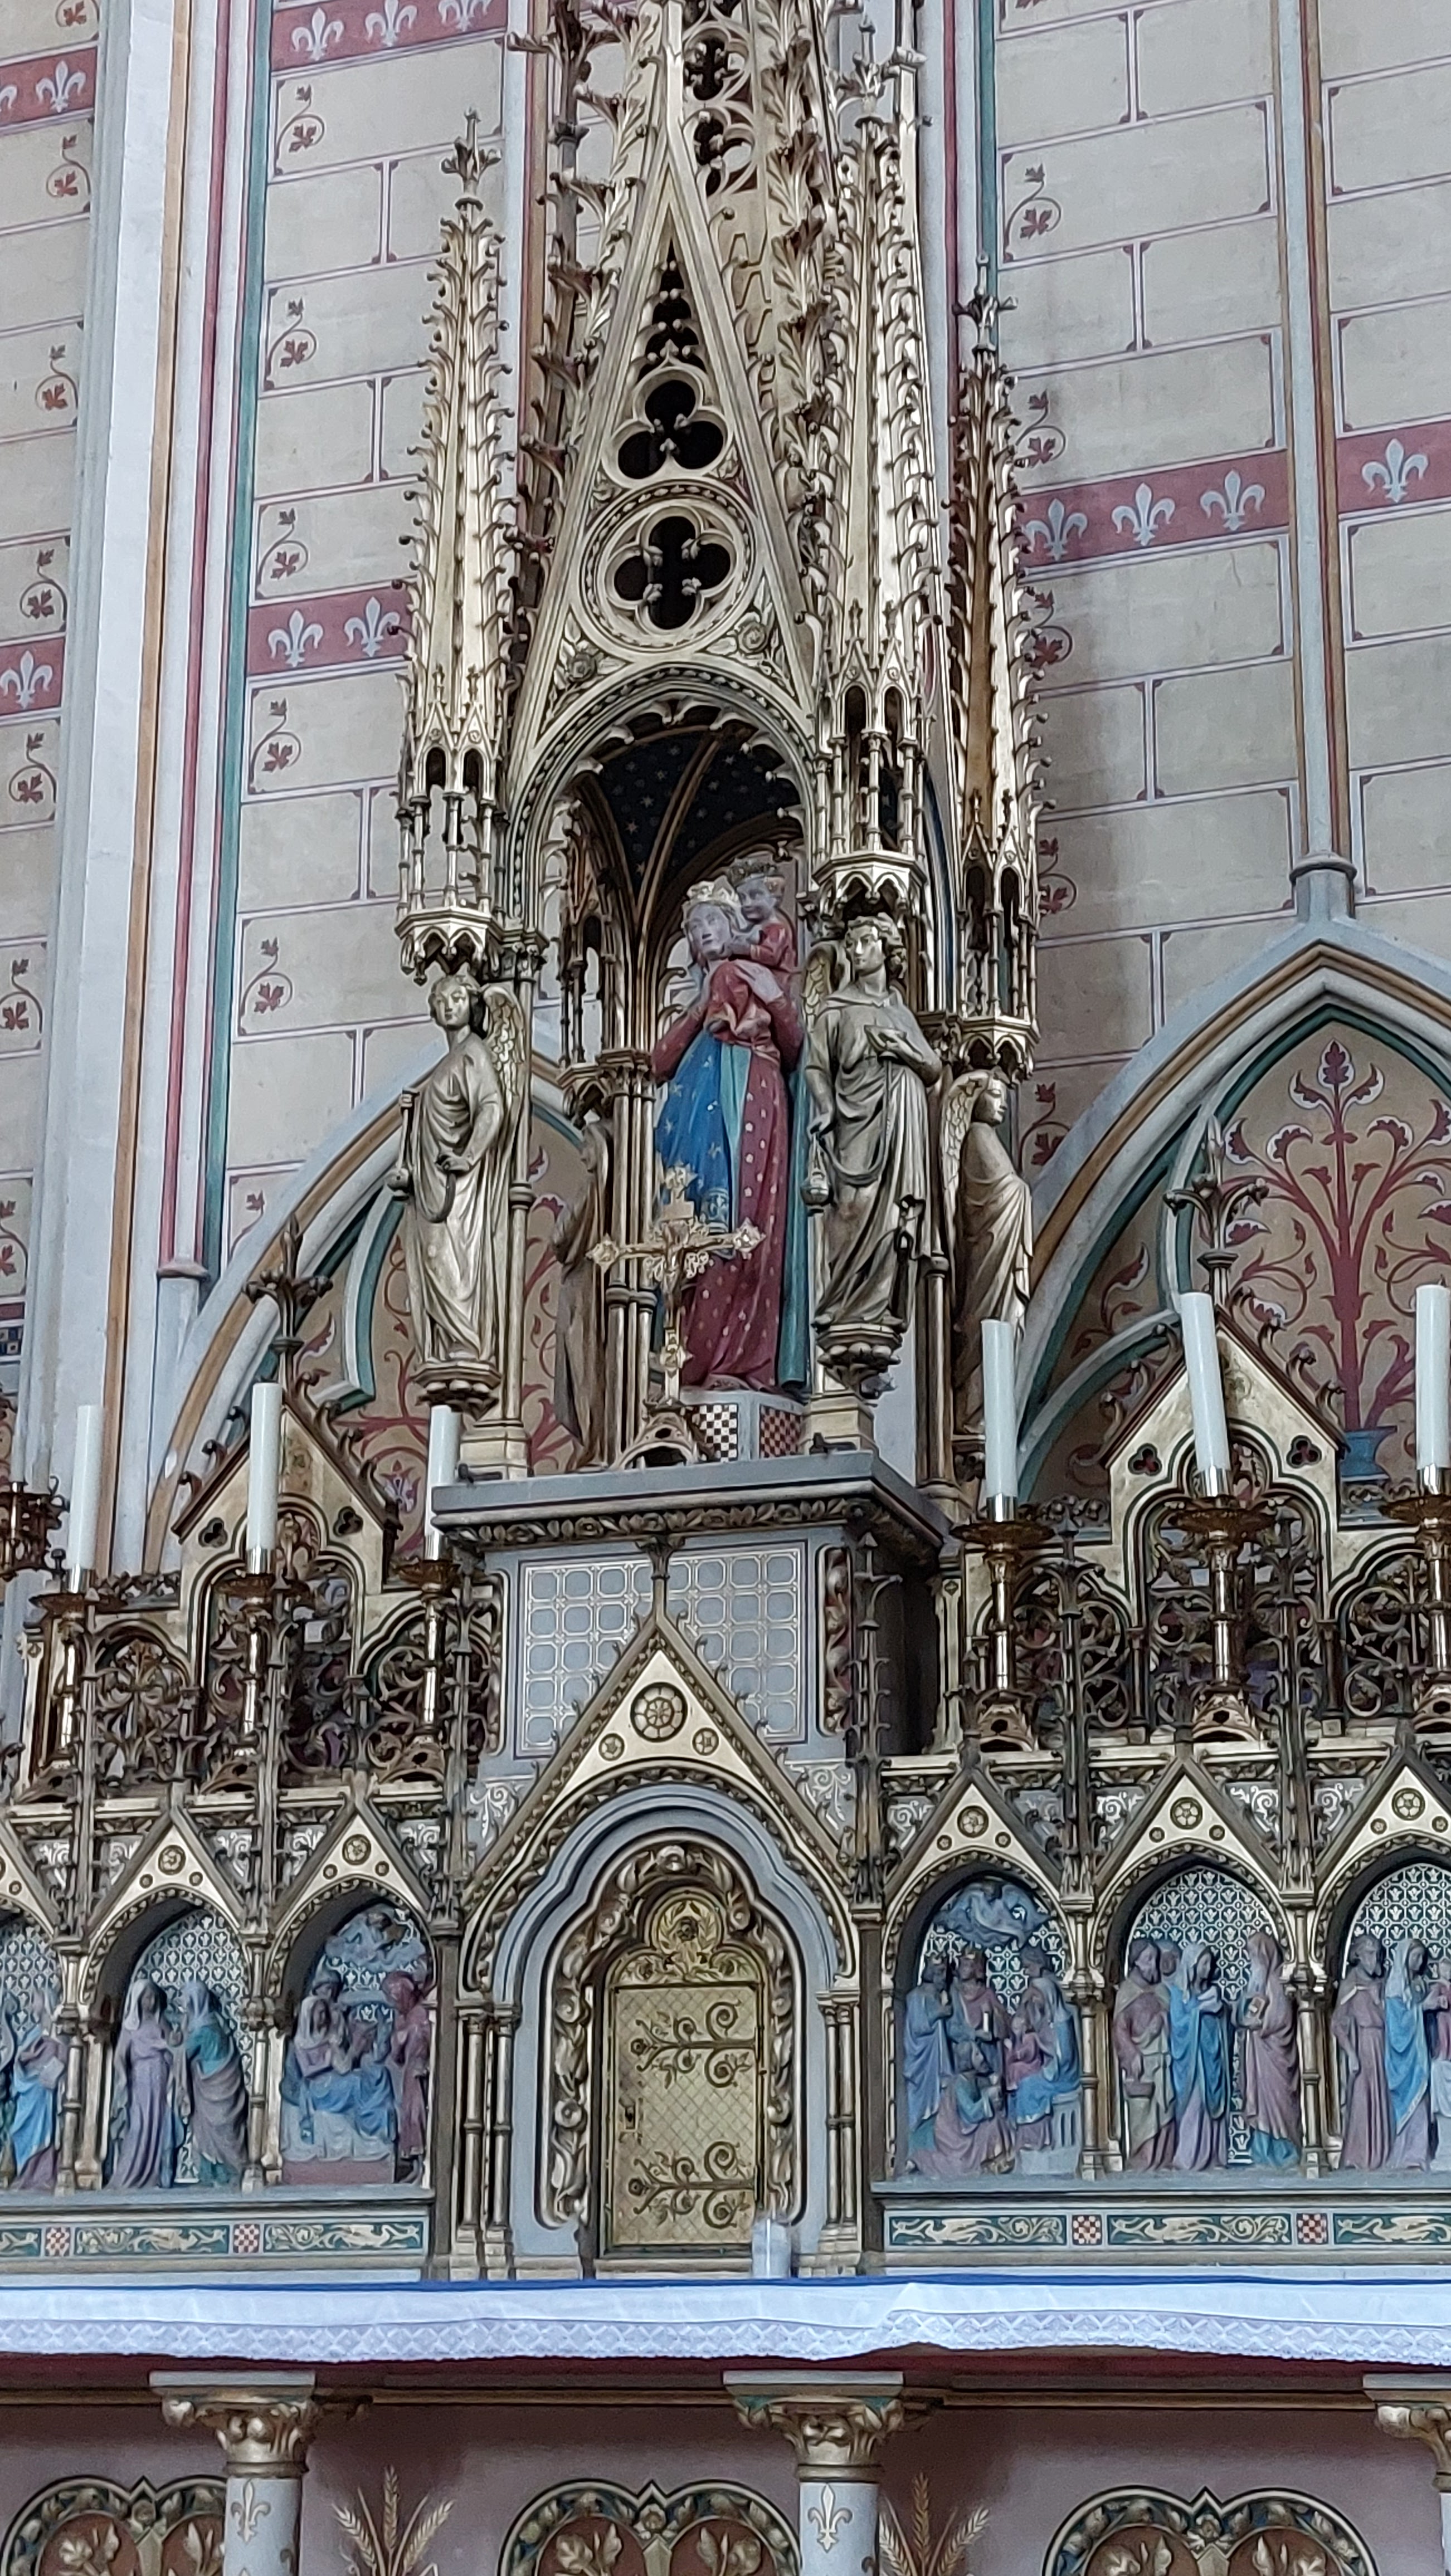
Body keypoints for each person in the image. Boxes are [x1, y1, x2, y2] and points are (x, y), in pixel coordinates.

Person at [651, 891, 805, 1391]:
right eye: (695, 929)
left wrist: (774, 998)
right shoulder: (701, 1002)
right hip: (700, 1115)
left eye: (712, 921)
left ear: (733, 925)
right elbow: (657, 1062)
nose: (704, 932)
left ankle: (742, 1359)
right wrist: (701, 1008)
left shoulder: (757, 974)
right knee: (695, 1231)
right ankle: (690, 1357)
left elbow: (796, 1045)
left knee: (749, 1222)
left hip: (754, 1096)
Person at [804, 914, 941, 1381]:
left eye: (866, 942)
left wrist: (901, 1049)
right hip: (854, 1122)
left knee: (892, 1219)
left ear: (887, 949)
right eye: (852, 943)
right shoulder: (836, 1008)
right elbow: (816, 1066)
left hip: (902, 1123)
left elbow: (932, 1067)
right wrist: (826, 1107)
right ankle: (844, 1304)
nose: (857, 951)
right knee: (851, 1207)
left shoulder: (900, 1010)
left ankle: (877, 1310)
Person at [389, 968, 518, 1389]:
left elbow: (492, 1107)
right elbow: (431, 1134)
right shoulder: (449, 1061)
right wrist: (409, 1174)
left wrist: (469, 1156)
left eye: (457, 1000)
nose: (448, 1008)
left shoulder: (473, 1053)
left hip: (458, 1187)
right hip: (431, 1188)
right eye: (441, 1002)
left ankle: (465, 1343)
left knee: (450, 1259)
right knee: (433, 1258)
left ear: (472, 1005)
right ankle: (447, 1345)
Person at [280, 1970, 397, 2180]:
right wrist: (331, 2058)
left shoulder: (333, 2026)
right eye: (319, 2013)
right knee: (355, 2083)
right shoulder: (301, 2042)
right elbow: (308, 2071)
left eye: (332, 1990)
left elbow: (343, 2065)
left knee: (363, 2078)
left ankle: (376, 2127)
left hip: (332, 2079)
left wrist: (349, 2047)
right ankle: (370, 2127)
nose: (323, 2016)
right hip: (316, 2088)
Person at [550, 1116, 610, 1463]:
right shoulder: (617, 1190)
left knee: (583, 1363)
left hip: (583, 1284)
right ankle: (592, 1440)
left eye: (587, 1145)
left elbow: (561, 1237)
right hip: (594, 1279)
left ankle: (591, 1443)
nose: (582, 1153)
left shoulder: (592, 1188)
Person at [109, 1982, 182, 2190]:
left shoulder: (161, 2022)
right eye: (146, 1998)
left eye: (153, 1997)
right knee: (140, 2124)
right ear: (138, 1999)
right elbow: (119, 2056)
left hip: (161, 2076)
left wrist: (175, 2041)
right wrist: (123, 2076)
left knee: (159, 2123)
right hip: (140, 2077)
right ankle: (133, 2172)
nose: (150, 2002)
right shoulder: (130, 2026)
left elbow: (174, 2046)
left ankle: (156, 2173)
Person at [1238, 1929, 1301, 2168]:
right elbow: (1243, 2012)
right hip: (1257, 2054)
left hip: (1275, 2053)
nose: (1253, 1961)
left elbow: (1282, 2017)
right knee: (1260, 2101)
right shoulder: (1257, 1982)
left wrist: (1260, 2025)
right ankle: (1262, 2150)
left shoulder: (1276, 1981)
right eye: (1250, 1956)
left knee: (1279, 2100)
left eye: (1255, 1956)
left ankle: (1285, 2149)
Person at [911, 2037, 1015, 2179]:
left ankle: (1000, 2160)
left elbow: (983, 2090)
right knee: (992, 2125)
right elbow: (971, 2113)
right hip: (955, 2134)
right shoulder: (960, 2084)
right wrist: (988, 2097)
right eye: (977, 2054)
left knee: (998, 2121)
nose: (982, 2058)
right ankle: (989, 2163)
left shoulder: (973, 2079)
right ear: (967, 2060)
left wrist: (992, 2087)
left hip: (969, 2127)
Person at [1168, 1940, 1231, 2170]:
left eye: (1210, 1964)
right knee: (1194, 2106)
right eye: (1204, 1963)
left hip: (1212, 2056)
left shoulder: (1212, 1992)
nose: (1208, 1968)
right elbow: (1178, 2024)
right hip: (1193, 2061)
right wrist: (1200, 2011)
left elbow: (1224, 2021)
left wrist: (1222, 2012)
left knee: (1212, 2107)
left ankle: (1214, 2156)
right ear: (1192, 1965)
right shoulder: (1179, 1994)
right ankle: (1188, 2158)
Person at [1332, 1932, 1392, 2171]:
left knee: (1383, 2098)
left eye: (1377, 1954)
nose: (1373, 1959)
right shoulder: (1351, 1983)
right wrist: (1351, 2054)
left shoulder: (1381, 1983)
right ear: (1358, 1955)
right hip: (1363, 2045)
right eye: (1369, 1953)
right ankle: (1359, 2156)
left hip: (1383, 2044)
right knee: (1362, 2100)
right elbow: (1337, 2024)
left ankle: (1383, 2153)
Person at [179, 1982, 248, 2186]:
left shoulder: (204, 2030)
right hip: (214, 2086)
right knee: (211, 2132)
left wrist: (180, 2031)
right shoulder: (218, 2024)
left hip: (214, 2085)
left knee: (220, 2129)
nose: (186, 2010)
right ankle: (215, 2174)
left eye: (187, 2005)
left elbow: (182, 2055)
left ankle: (234, 2170)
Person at [1113, 1940, 1175, 2168]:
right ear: (1136, 1962)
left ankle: (1164, 2159)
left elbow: (1175, 2021)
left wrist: (1163, 2020)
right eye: (1148, 1960)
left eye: (1155, 1960)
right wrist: (1132, 2053)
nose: (1154, 1966)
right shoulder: (1127, 1992)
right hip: (1141, 2062)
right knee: (1143, 2114)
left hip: (1163, 2060)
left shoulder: (1161, 1991)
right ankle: (1142, 2160)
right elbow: (1120, 2029)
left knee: (1165, 2110)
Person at [5, 1995, 65, 2190]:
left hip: (44, 2093)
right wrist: (23, 2060)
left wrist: (49, 2073)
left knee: (44, 2132)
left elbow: (65, 2058)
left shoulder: (58, 2033)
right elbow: (19, 2061)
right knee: (19, 2131)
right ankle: (25, 2174)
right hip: (29, 2092)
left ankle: (42, 2175)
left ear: (46, 2001)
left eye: (34, 2000)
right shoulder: (34, 2033)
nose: (31, 2005)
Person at [1385, 1934, 1431, 2169]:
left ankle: (1419, 2155)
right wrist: (1423, 2009)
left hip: (1420, 2055)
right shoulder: (1394, 1988)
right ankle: (1405, 2154)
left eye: (1422, 1957)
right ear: (1404, 1957)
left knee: (1423, 2104)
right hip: (1403, 2060)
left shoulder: (1420, 1983)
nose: (1419, 1962)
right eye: (1415, 1957)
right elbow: (1397, 2027)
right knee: (1409, 2105)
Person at [901, 1957, 951, 2162]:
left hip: (937, 2056)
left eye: (945, 1973)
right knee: (921, 2105)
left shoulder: (938, 1995)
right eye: (939, 1973)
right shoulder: (916, 1996)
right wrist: (940, 2012)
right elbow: (918, 2026)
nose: (943, 1978)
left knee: (941, 2101)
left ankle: (937, 2148)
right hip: (921, 2062)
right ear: (929, 1972)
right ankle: (916, 2151)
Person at [384, 1970, 431, 2178]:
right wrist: (398, 2038)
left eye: (396, 1999)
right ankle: (416, 2167)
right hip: (410, 2071)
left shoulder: (423, 2013)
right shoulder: (402, 2019)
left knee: (419, 2114)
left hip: (421, 2071)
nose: (396, 2005)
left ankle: (425, 2166)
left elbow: (432, 2040)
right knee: (409, 2115)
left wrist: (425, 2059)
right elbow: (397, 2057)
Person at [1426, 1953, 1451, 2170]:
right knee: (1443, 2042)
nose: (1447, 1972)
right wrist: (1438, 2003)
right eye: (1444, 1968)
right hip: (1442, 2022)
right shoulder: (1437, 1987)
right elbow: (1428, 2004)